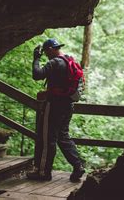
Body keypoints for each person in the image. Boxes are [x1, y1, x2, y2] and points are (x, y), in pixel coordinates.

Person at [27, 38, 85, 182]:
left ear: (51, 49)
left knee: (47, 139)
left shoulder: (55, 62)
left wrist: (36, 59)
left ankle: (43, 172)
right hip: (68, 105)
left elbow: (37, 74)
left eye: (46, 52)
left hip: (54, 106)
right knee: (63, 136)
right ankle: (78, 166)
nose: (46, 55)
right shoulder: (69, 60)